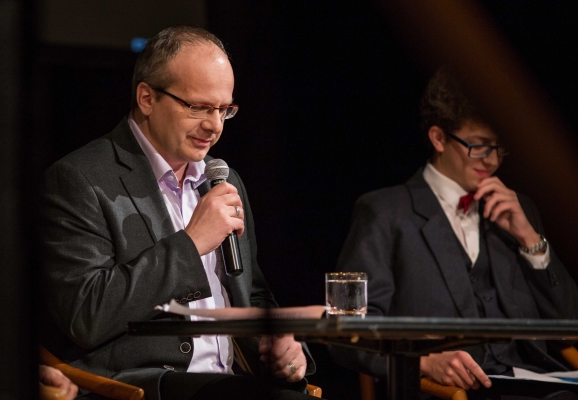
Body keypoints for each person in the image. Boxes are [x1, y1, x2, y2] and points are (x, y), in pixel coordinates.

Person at [39, 26, 316, 400]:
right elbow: (86, 315)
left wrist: (282, 348)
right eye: (198, 107)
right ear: (147, 98)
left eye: (224, 110)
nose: (214, 126)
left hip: (235, 380)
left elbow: (251, 293)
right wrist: (190, 244)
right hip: (142, 384)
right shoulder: (82, 178)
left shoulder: (223, 178)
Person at [332, 67, 578, 399]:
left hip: (533, 384)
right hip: (443, 391)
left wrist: (530, 240)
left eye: (499, 147)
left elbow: (569, 320)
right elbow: (346, 329)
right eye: (479, 146)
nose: (491, 161)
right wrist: (422, 360)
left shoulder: (520, 210)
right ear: (438, 138)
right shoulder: (383, 212)